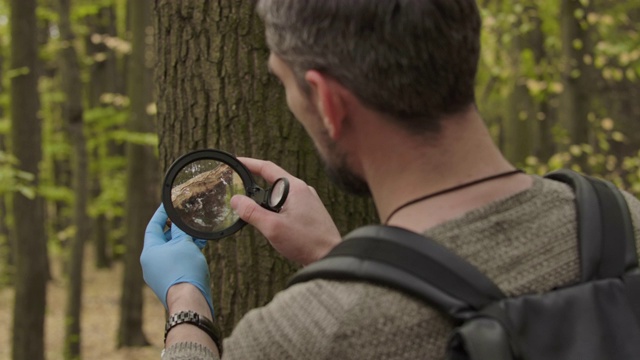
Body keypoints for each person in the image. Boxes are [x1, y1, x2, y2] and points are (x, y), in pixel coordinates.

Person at [141, 0, 640, 359]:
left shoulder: (301, 336)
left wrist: (187, 307)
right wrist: (336, 259)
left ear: (328, 103)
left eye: (285, 84)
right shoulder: (625, 221)